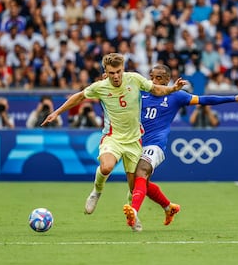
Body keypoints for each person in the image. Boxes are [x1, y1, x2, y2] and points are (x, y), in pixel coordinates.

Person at [40, 53, 186, 215]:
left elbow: (156, 89)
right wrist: (56, 112)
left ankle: (134, 212)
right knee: (107, 166)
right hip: (113, 137)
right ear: (106, 72)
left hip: (134, 140)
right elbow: (79, 96)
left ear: (123, 69)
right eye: (111, 73)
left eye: (118, 72)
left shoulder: (134, 79)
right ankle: (96, 191)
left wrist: (173, 88)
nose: (116, 76)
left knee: (135, 186)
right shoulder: (100, 87)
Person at [123, 64, 238, 231]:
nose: (154, 80)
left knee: (142, 171)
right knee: (139, 185)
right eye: (152, 77)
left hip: (156, 145)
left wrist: (233, 98)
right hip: (135, 143)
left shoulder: (176, 96)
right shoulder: (141, 92)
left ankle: (134, 212)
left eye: (159, 78)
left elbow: (205, 99)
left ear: (168, 80)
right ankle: (169, 208)